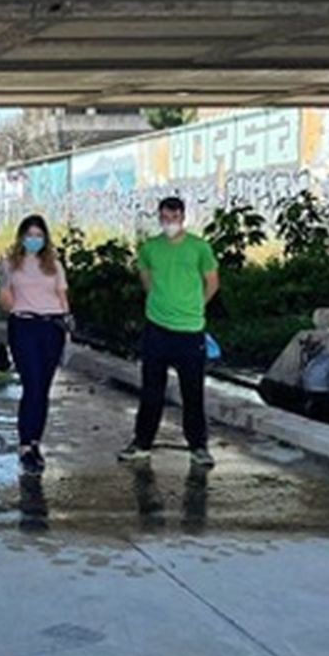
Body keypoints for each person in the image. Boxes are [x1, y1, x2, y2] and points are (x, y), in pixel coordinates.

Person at [119, 196, 219, 468]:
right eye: (165, 218)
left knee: (193, 392)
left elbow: (212, 282)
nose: (169, 223)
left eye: (174, 218)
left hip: (190, 330)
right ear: (159, 217)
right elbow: (146, 279)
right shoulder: (150, 248)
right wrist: (161, 302)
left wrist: (196, 305)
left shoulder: (199, 248)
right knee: (151, 390)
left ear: (183, 218)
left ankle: (198, 446)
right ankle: (142, 442)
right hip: (157, 329)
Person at [0, 214, 70, 474]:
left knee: (43, 387)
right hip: (23, 325)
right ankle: (25, 444)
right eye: (29, 235)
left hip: (52, 327)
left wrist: (67, 322)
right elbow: (6, 303)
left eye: (39, 235)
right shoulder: (10, 265)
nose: (34, 240)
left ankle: (36, 441)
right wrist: (2, 282)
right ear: (21, 237)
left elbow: (62, 296)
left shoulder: (54, 265)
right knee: (32, 383)